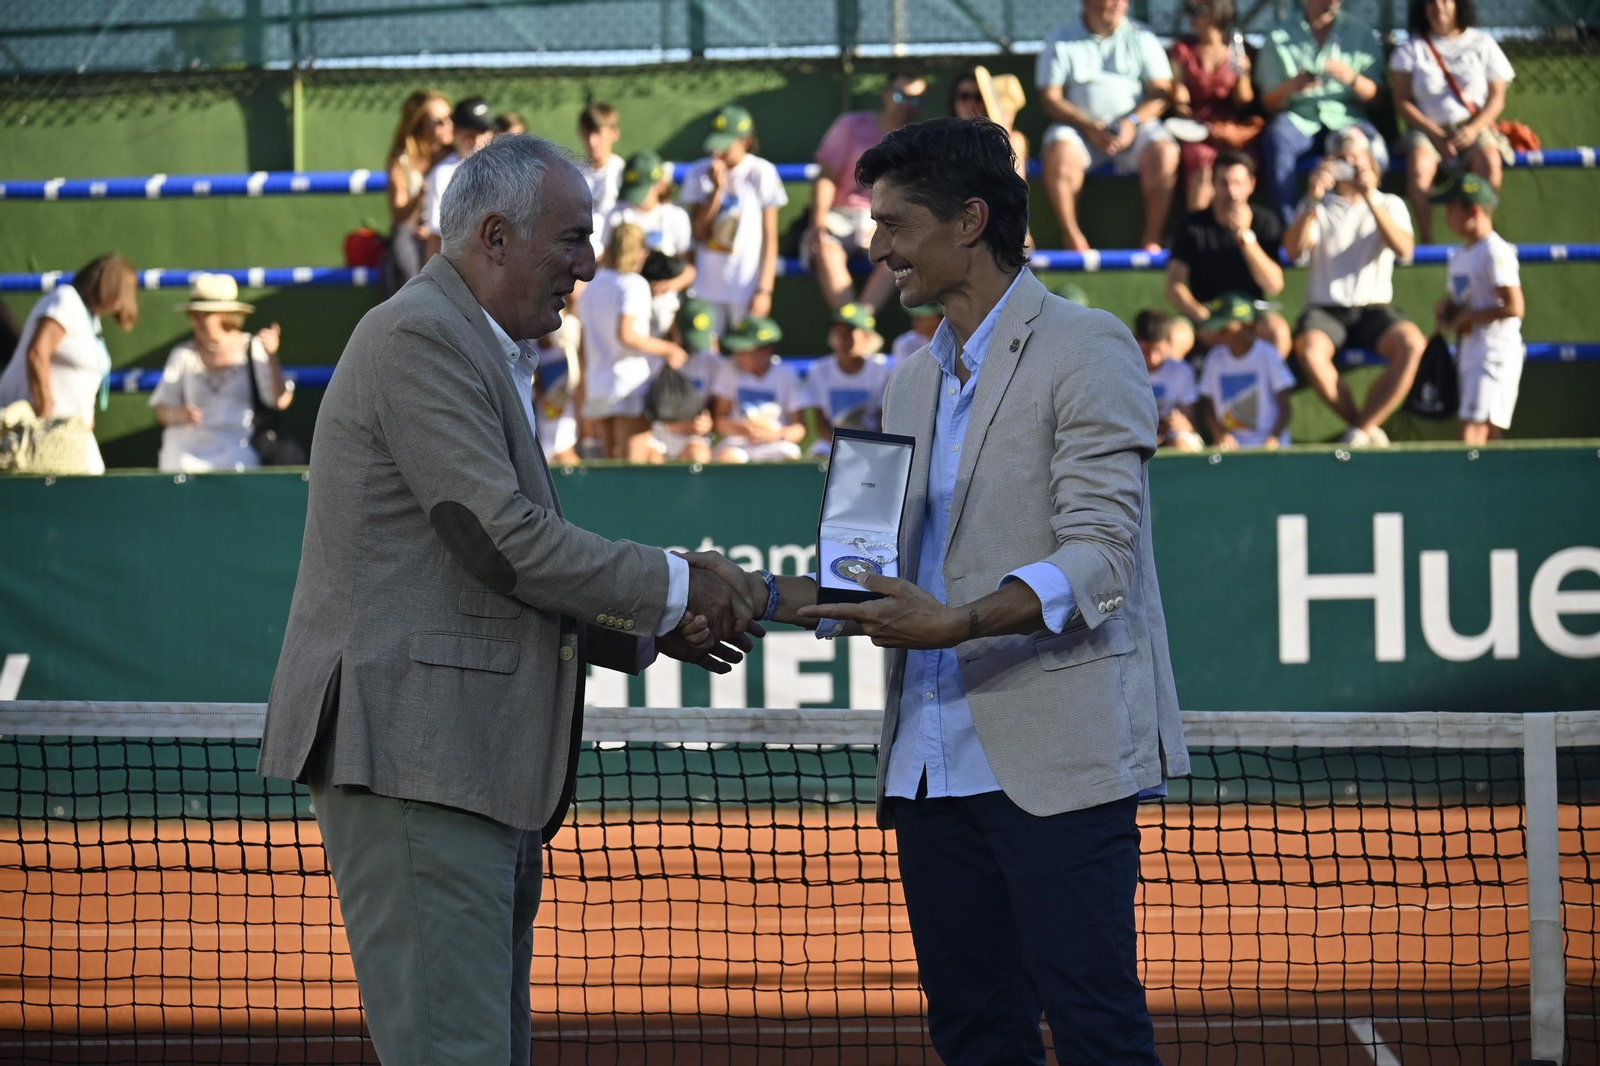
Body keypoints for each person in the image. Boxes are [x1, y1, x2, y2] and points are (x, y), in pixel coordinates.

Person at [691, 116, 1188, 1065]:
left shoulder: (1089, 345)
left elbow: (1101, 558)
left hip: (1056, 763)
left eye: (893, 224)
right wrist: (751, 591)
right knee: (974, 1037)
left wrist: (957, 621)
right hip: (927, 773)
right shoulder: (908, 383)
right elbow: (862, 578)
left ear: (969, 221)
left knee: (1097, 1032)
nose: (876, 247)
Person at [256, 133, 758, 1066]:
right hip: (419, 755)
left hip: (463, 763)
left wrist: (652, 636)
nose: (590, 265)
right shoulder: (419, 336)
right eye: (571, 240)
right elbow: (501, 542)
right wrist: (681, 584)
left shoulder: (468, 340)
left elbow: (477, 566)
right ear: (494, 236)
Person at [1285, 127, 1426, 447]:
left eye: (1355, 159)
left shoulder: (1389, 203)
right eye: (1341, 159)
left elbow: (1405, 250)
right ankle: (1362, 429)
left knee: (1413, 345)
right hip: (1325, 309)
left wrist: (1370, 196)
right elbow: (1294, 251)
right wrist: (1312, 199)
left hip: (1374, 308)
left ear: (1371, 163)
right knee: (1309, 349)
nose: (1348, 165)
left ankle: (1359, 430)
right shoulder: (1315, 205)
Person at [1036, 0, 1180, 252]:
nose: (1118, 4)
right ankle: (1073, 238)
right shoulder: (1060, 39)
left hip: (1135, 128)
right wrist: (1088, 125)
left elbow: (1162, 94)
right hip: (1079, 130)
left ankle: (1152, 239)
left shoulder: (1143, 37)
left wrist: (1131, 122)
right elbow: (1050, 98)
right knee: (1059, 148)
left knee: (1165, 151)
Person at [0, 253, 139, 475]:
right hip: (40, 431)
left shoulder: (91, 319)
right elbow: (37, 353)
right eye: (127, 290)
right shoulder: (65, 300)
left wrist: (86, 414)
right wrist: (45, 409)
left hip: (71, 433)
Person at [1389, 0, 1515, 243]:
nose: (1438, 8)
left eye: (1446, 1)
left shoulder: (1483, 43)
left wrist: (1473, 129)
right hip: (1427, 129)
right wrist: (1435, 134)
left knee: (1490, 162)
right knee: (1419, 167)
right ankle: (1428, 241)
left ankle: (1482, 234)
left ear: (1459, 5)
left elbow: (1498, 99)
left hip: (1474, 125)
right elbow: (1402, 101)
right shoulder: (1410, 49)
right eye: (1431, 3)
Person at [809, 71, 929, 312]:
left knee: (899, 252)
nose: (906, 104)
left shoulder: (922, 141)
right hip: (840, 216)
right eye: (899, 95)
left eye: (915, 99)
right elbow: (826, 178)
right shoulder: (850, 125)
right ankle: (855, 324)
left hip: (887, 221)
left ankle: (857, 325)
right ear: (886, 95)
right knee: (823, 246)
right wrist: (818, 223)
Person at [1257, 0, 1387, 223]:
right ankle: (1295, 233)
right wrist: (1291, 87)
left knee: (1375, 151)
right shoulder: (1278, 36)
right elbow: (1268, 103)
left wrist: (1352, 78)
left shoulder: (1361, 33)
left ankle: (1366, 225)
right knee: (1277, 138)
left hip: (1347, 118)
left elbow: (1379, 99)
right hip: (1299, 119)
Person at [150, 274, 292, 473]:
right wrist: (178, 414)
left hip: (238, 447)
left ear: (226, 315)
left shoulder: (254, 348)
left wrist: (272, 357)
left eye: (205, 315)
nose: (196, 321)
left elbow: (280, 401)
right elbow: (162, 411)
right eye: (193, 315)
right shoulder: (182, 354)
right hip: (186, 450)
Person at [576, 222, 689, 462]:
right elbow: (627, 334)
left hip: (598, 385)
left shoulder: (593, 286)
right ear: (641, 252)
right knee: (631, 471)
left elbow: (584, 344)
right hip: (629, 385)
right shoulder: (634, 284)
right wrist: (669, 349)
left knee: (612, 465)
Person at [1165, 150, 1291, 355]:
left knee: (1277, 331)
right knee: (1175, 336)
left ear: (1251, 184)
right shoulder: (1191, 226)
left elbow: (1274, 285)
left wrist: (1245, 238)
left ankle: (1275, 388)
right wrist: (1203, 318)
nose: (1231, 191)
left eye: (1238, 183)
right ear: (1213, 184)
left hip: (1251, 315)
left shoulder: (1265, 222)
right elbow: (1174, 285)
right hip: (1205, 313)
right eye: (1224, 183)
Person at [1432, 172, 1524, 443]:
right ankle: (1503, 486)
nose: (1446, 217)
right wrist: (1448, 309)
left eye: (1451, 210)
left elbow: (1514, 306)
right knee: (1489, 432)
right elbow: (1465, 299)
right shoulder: (1459, 256)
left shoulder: (1496, 252)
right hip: (1470, 353)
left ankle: (1464, 487)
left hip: (1493, 355)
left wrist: (1468, 316)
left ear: (1472, 211)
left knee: (1472, 431)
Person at [681, 105, 788, 333]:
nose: (717, 153)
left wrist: (764, 291)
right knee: (705, 357)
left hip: (746, 288)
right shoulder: (698, 172)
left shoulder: (761, 172)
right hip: (705, 288)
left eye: (725, 145)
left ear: (746, 142)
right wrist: (716, 192)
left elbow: (770, 238)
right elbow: (698, 233)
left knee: (747, 355)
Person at [1168, 0, 1263, 213]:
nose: (1192, 16)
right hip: (1197, 127)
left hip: (1233, 127)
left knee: (1241, 163)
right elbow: (1181, 101)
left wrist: (1243, 76)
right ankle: (1199, 231)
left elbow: (1245, 102)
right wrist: (1191, 123)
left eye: (1198, 11)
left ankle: (1238, 228)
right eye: (1189, 10)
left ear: (1218, 12)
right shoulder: (1183, 51)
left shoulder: (1241, 49)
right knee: (1201, 161)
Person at [602, 149, 696, 336]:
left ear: (660, 185)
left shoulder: (675, 217)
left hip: (664, 309)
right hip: (623, 307)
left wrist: (668, 286)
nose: (635, 197)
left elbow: (690, 269)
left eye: (641, 189)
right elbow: (606, 262)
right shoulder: (617, 214)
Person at [1197, 293, 1296, 449]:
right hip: (1232, 451)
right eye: (1218, 328)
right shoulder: (1214, 358)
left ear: (1247, 325)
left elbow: (1285, 407)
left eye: (1225, 328)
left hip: (1271, 449)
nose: (1219, 333)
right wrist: (1220, 434)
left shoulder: (1268, 355)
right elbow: (1209, 409)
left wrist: (1273, 439)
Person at [710, 316, 805, 463]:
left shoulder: (787, 374)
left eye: (744, 350)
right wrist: (741, 429)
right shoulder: (728, 369)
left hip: (776, 443)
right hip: (738, 444)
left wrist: (776, 435)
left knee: (790, 458)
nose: (737, 356)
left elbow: (799, 429)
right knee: (727, 458)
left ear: (766, 351)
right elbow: (719, 422)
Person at [804, 302, 893, 456]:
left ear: (867, 336)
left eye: (849, 332)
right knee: (817, 454)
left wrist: (865, 445)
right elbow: (821, 424)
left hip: (871, 442)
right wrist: (840, 444)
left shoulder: (882, 371)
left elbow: (882, 421)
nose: (842, 338)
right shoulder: (819, 370)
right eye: (837, 332)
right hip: (831, 443)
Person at [384, 90, 453, 284]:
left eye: (451, 118)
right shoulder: (402, 161)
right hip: (413, 240)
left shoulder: (457, 156)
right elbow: (399, 214)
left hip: (448, 235)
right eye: (439, 121)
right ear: (419, 126)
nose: (449, 125)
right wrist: (422, 195)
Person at [420, 97, 497, 260]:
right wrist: (435, 283)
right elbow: (436, 237)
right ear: (454, 132)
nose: (476, 141)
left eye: (482, 132)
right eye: (469, 134)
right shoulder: (443, 174)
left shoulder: (508, 171)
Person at [650, 297, 723, 464]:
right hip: (655, 435)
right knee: (648, 458)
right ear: (675, 329)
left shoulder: (714, 363)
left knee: (699, 454)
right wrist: (674, 427)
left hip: (693, 439)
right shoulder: (653, 359)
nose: (695, 347)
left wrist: (709, 423)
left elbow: (722, 410)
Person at [1135, 309, 1204, 451]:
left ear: (1169, 344)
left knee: (1180, 443)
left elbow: (1190, 422)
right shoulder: (1125, 371)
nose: (1153, 358)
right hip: (1138, 436)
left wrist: (1180, 424)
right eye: (1147, 351)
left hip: (1173, 437)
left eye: (1158, 350)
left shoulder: (1182, 371)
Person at [950, 69, 1030, 181]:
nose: (970, 103)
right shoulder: (947, 137)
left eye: (978, 97)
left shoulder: (1014, 140)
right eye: (964, 96)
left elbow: (1012, 184)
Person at [532, 312, 582, 466]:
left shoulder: (569, 329)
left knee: (564, 450)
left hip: (568, 405)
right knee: (549, 454)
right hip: (544, 406)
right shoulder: (530, 338)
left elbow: (579, 374)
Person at [579, 102, 625, 258]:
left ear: (614, 133)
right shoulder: (572, 174)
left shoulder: (623, 173)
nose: (592, 141)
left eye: (598, 133)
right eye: (587, 133)